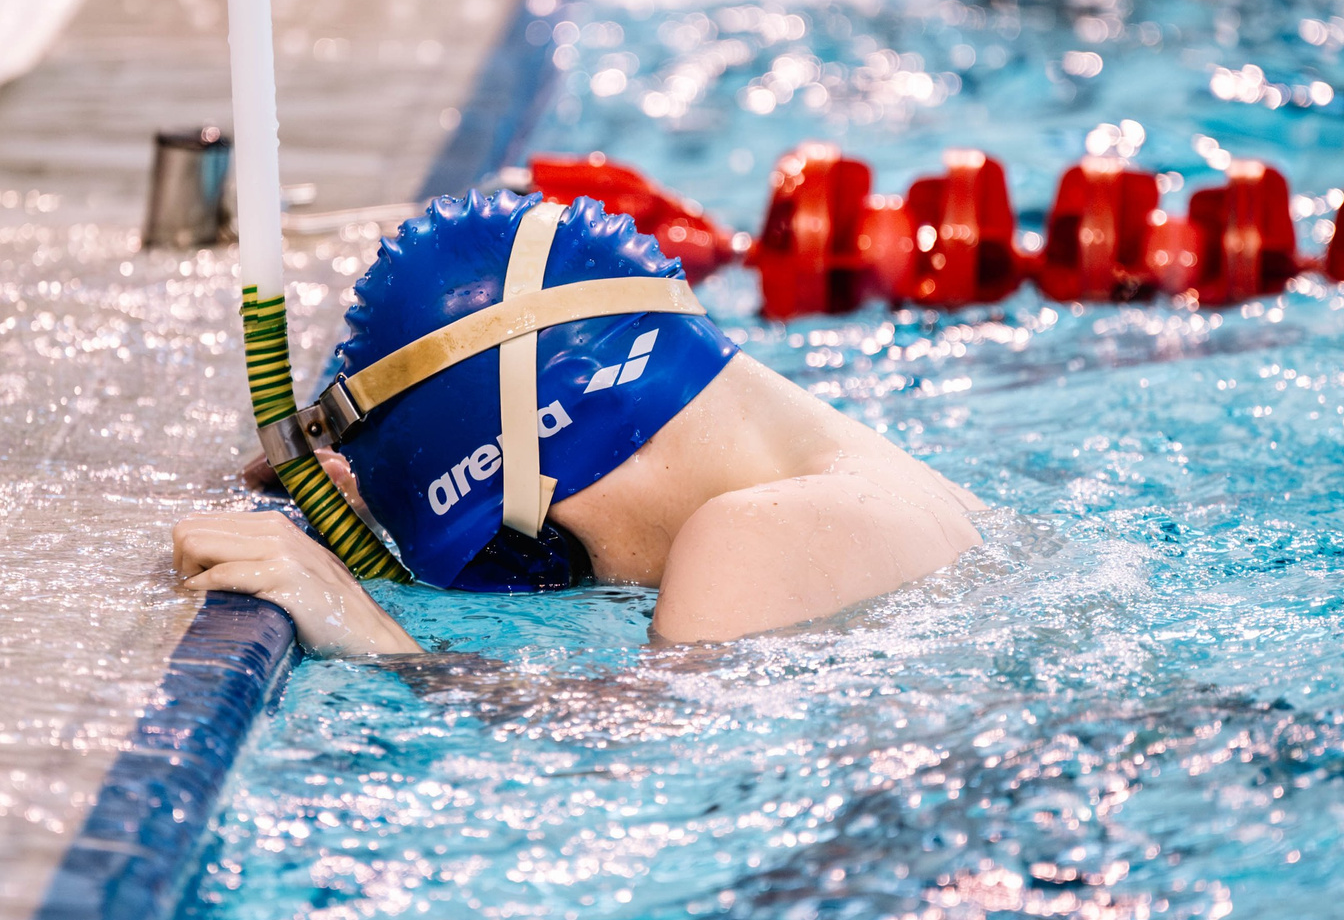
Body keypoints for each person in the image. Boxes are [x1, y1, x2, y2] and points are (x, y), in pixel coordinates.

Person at [171, 191, 984, 656]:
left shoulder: (754, 533)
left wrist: (360, 626)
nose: (562, 570)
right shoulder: (851, 483)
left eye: (528, 549)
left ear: (536, 464)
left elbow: (617, 783)